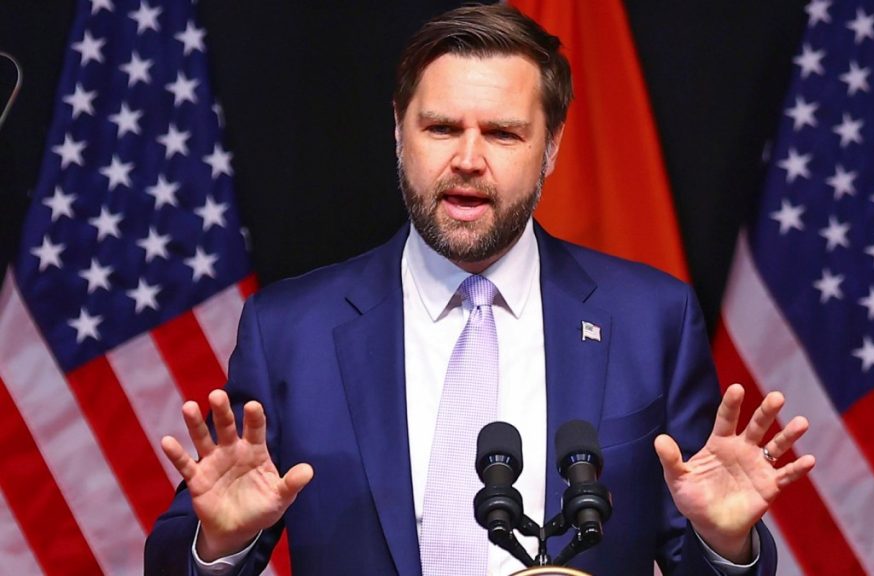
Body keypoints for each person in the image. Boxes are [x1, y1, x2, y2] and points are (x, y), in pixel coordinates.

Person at [145, 5, 815, 575]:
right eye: (441, 128)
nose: (468, 159)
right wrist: (221, 543)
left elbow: (697, 549)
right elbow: (177, 555)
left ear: (551, 146)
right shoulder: (291, 330)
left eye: (502, 133)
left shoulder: (651, 320)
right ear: (399, 131)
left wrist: (723, 542)